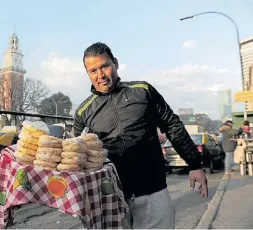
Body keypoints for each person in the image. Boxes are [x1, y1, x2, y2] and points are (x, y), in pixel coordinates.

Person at [73, 42, 208, 229]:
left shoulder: (143, 91)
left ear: (116, 63)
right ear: (87, 73)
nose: (100, 75)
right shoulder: (83, 112)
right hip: (110, 197)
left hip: (153, 192)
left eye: (104, 66)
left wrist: (194, 164)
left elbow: (172, 125)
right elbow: (75, 155)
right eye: (93, 70)